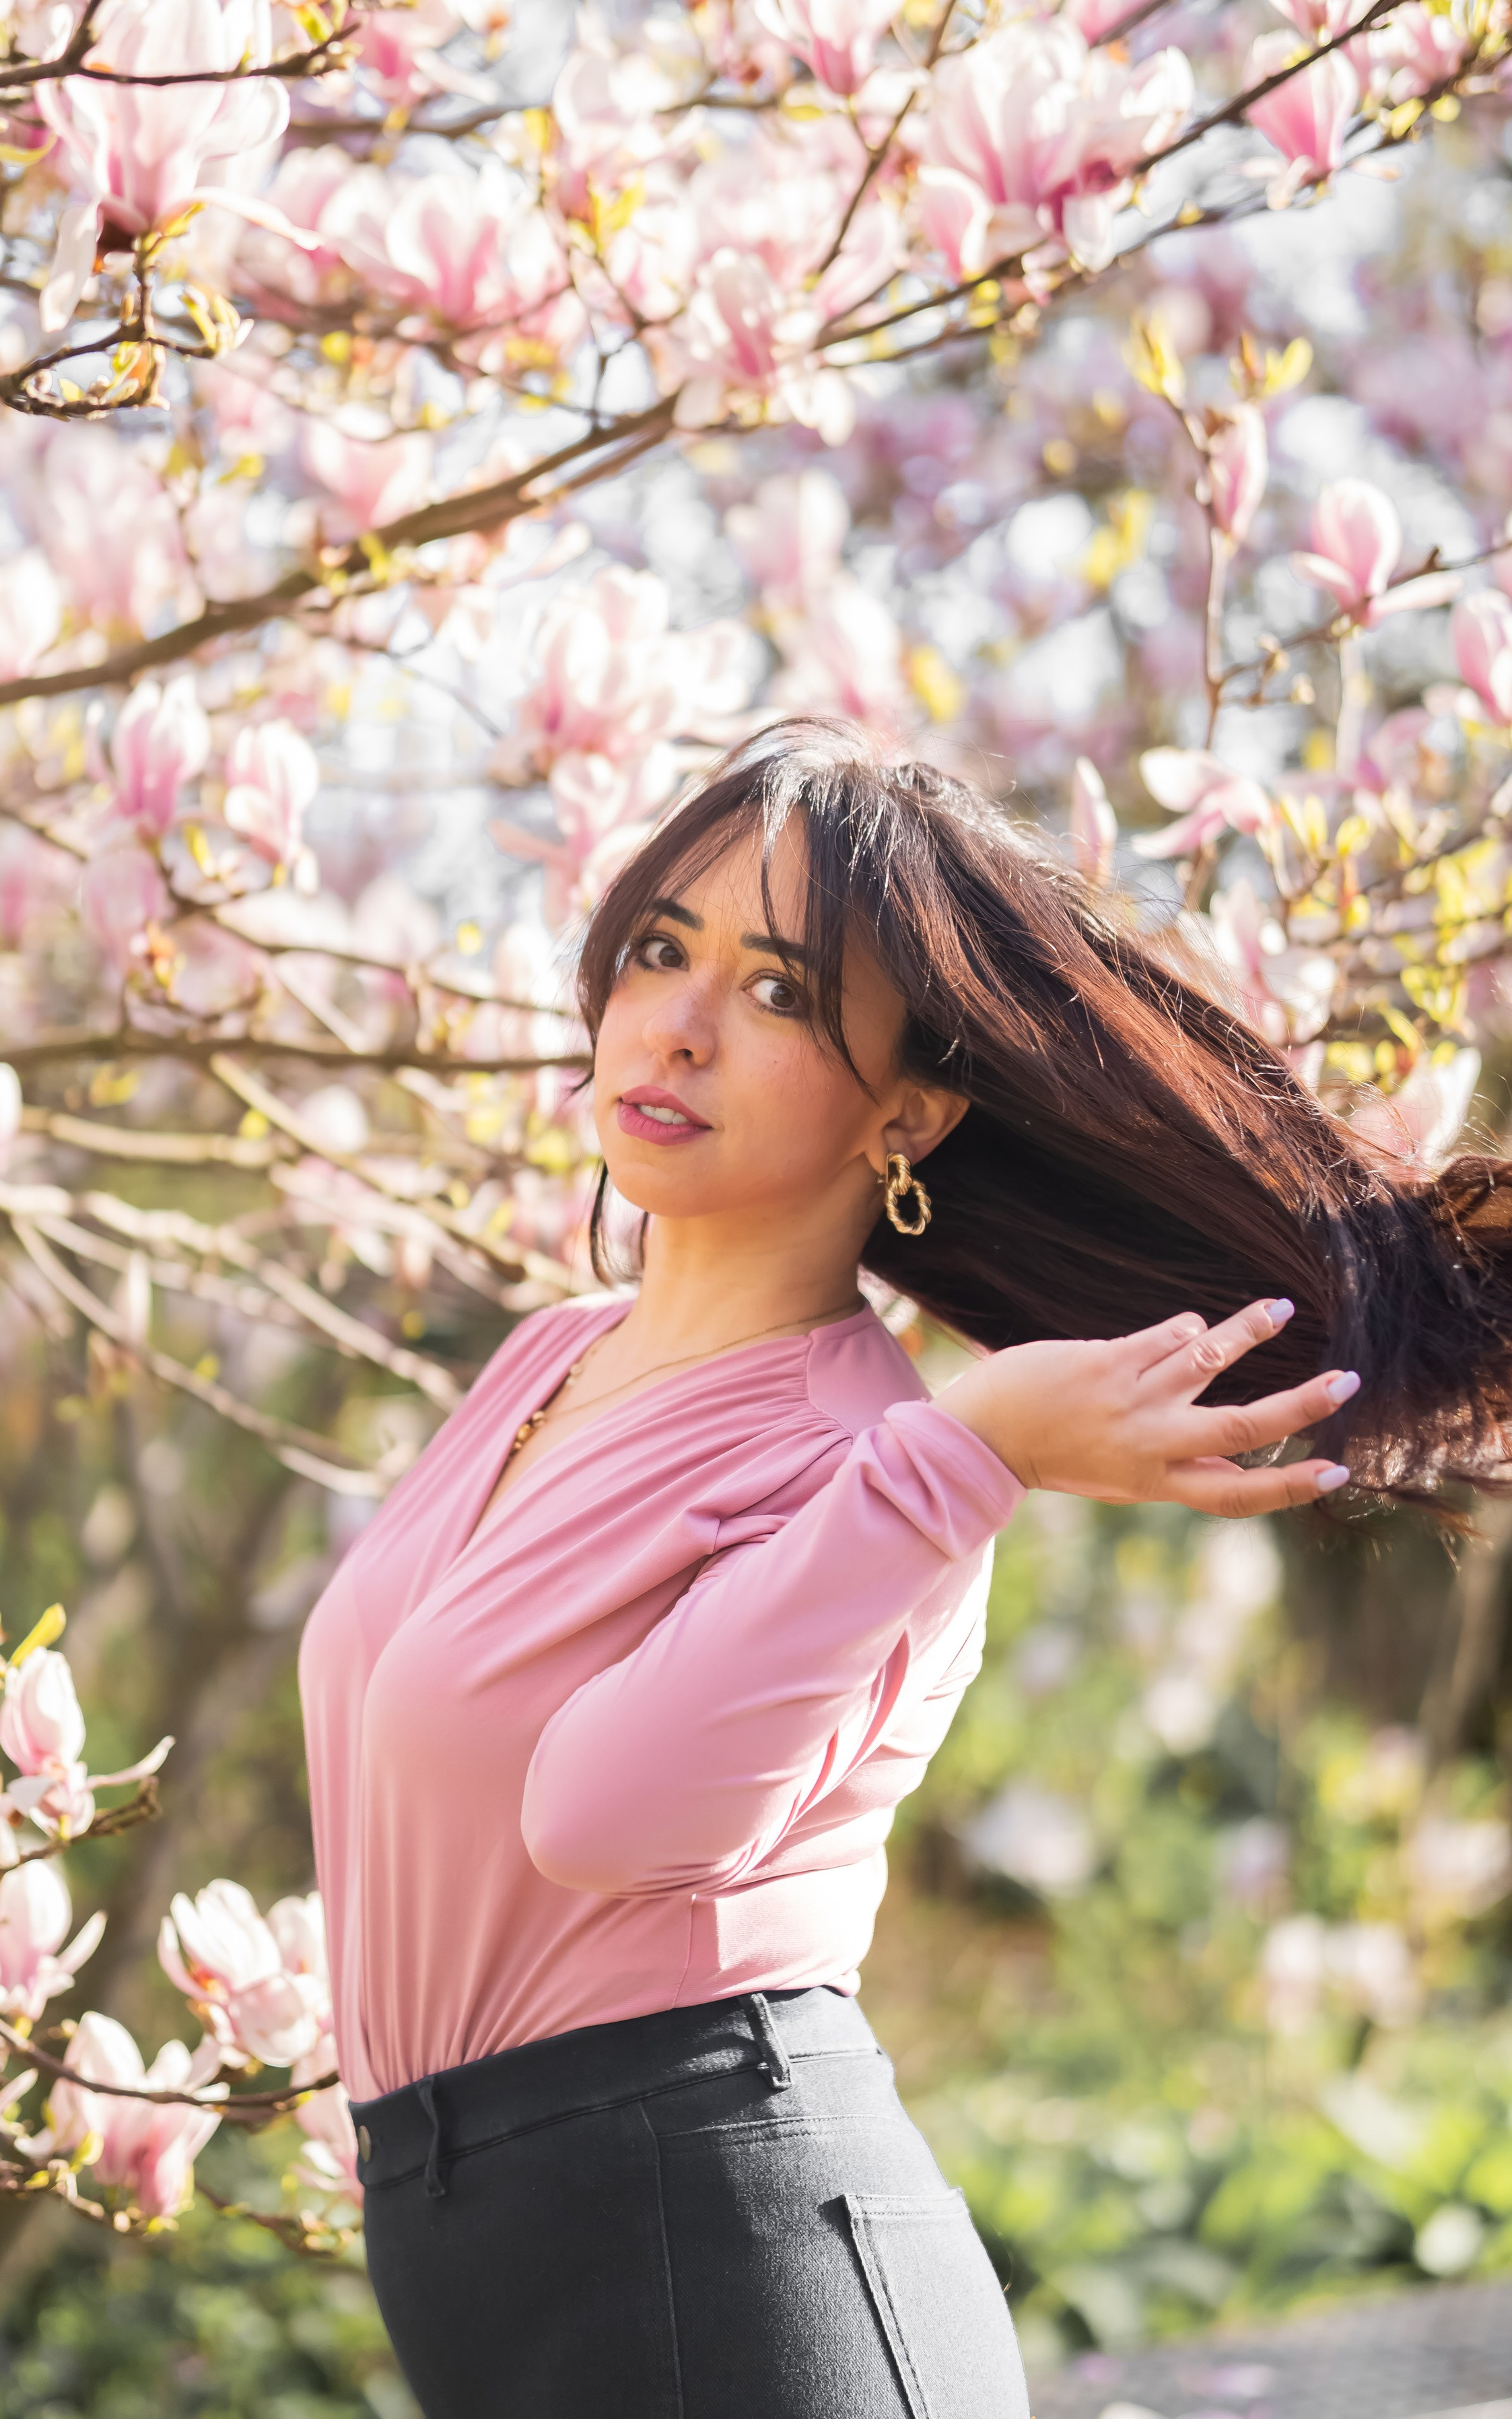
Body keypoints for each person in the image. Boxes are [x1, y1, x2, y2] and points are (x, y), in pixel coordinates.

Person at [300, 720, 1512, 2419]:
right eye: (660, 949)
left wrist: (969, 1450)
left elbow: (605, 1819)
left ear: (910, 1111)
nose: (677, 1021)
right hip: (489, 2259)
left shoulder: (876, 1464)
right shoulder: (541, 1358)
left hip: (722, 2254)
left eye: (781, 992)